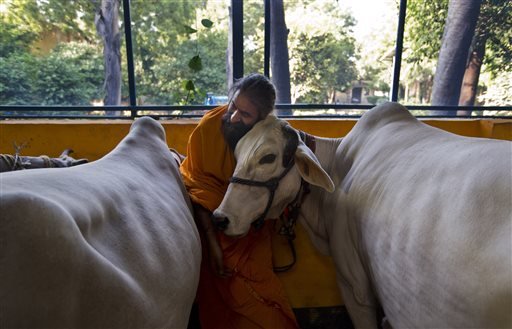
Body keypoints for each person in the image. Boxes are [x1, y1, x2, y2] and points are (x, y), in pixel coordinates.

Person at [180, 73, 298, 329]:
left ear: (261, 118)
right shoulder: (207, 130)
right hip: (212, 230)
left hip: (251, 234)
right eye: (234, 106)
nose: (234, 117)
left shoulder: (264, 135)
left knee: (264, 302)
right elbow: (197, 190)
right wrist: (212, 245)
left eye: (245, 115)